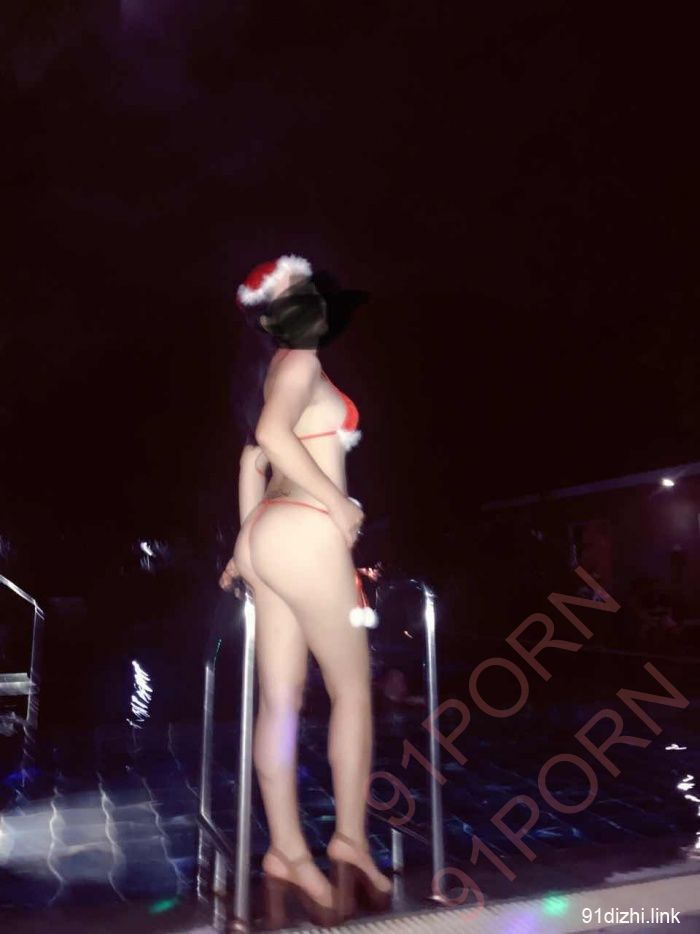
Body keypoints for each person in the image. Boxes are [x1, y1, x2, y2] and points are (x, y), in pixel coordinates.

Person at [219, 255, 392, 926]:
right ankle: (349, 843)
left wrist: (244, 550)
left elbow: (253, 460)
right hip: (305, 530)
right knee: (352, 693)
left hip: (268, 530)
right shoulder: (301, 362)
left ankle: (287, 852)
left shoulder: (277, 370)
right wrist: (337, 503)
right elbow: (268, 438)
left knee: (280, 702)